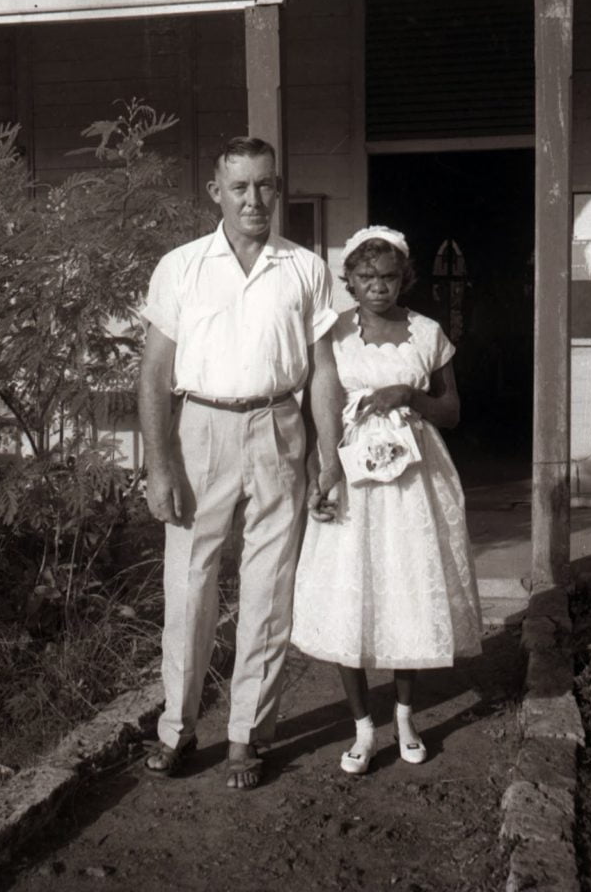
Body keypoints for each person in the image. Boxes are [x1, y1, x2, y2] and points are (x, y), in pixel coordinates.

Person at [138, 136, 342, 790]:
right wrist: (160, 465)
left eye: (265, 186)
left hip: (281, 426)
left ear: (277, 188)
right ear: (216, 193)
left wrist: (328, 456)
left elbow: (323, 371)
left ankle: (247, 733)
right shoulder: (181, 267)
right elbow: (153, 375)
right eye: (240, 187)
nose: (254, 200)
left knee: (268, 588)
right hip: (201, 427)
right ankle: (177, 727)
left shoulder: (306, 269)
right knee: (190, 586)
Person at [291, 225, 482, 775]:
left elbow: (452, 411)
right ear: (348, 280)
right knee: (351, 592)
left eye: (390, 276)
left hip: (413, 479)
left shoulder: (427, 332)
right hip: (352, 473)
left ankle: (403, 716)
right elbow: (317, 410)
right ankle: (361, 726)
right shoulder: (331, 333)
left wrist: (409, 395)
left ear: (405, 278)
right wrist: (317, 474)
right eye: (367, 276)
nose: (379, 286)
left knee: (406, 587)